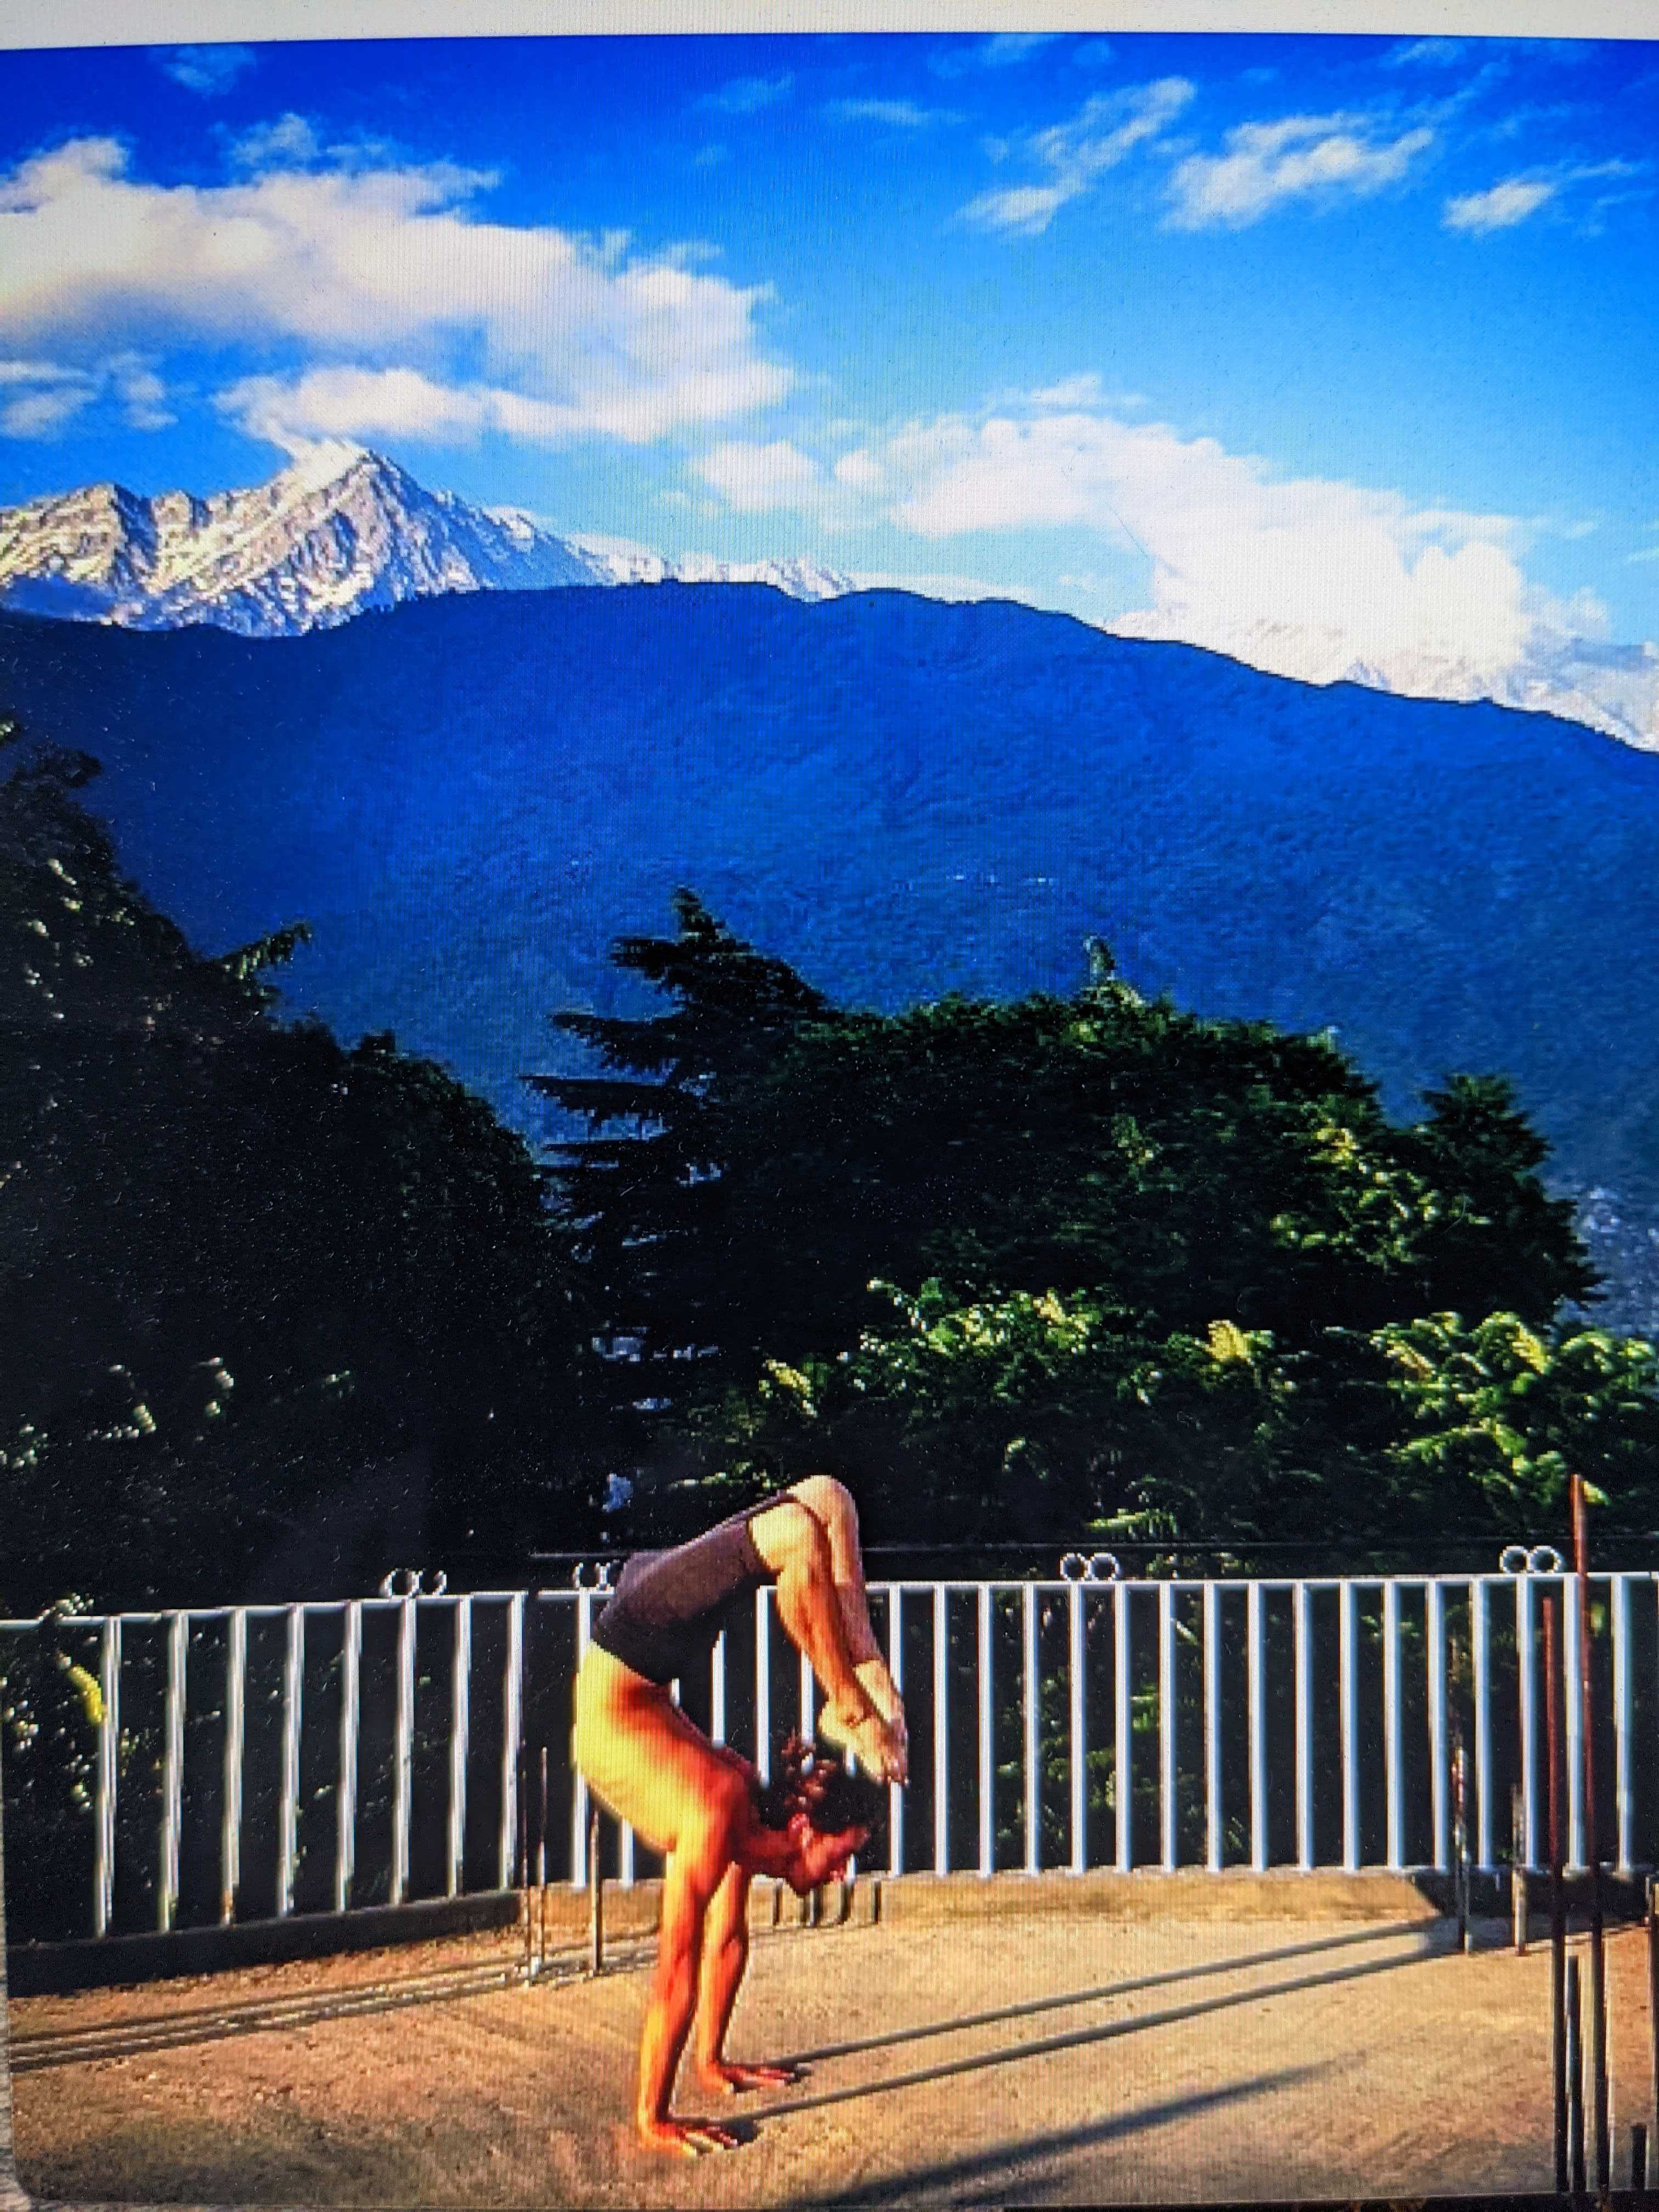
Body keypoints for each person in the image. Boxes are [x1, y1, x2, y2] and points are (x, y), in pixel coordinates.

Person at [571, 1474, 907, 2157]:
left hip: (640, 1663)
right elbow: (676, 1967)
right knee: (807, 1522)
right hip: (637, 1646)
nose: (844, 1877)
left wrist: (712, 2061)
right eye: (843, 1856)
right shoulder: (725, 1808)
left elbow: (724, 1942)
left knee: (822, 1505)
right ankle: (849, 1698)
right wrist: (656, 2119)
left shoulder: (739, 1812)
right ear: (805, 1831)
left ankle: (858, 1683)